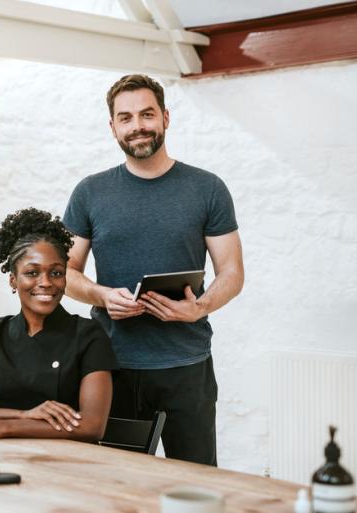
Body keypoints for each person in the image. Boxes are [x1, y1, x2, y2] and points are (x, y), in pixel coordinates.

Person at [62, 74, 244, 465]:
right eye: (125, 118)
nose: (137, 126)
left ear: (165, 117)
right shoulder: (90, 192)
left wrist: (200, 307)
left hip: (186, 365)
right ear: (113, 127)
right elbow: (66, 273)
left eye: (147, 114)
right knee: (119, 484)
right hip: (110, 365)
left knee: (195, 484)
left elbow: (231, 272)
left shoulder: (207, 188)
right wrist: (103, 295)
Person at [0, 208, 117, 442]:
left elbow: (91, 427)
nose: (45, 283)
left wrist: (4, 427)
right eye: (32, 272)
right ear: (13, 279)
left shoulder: (89, 336)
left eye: (56, 273)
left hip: (68, 463)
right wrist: (25, 415)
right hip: (5, 458)